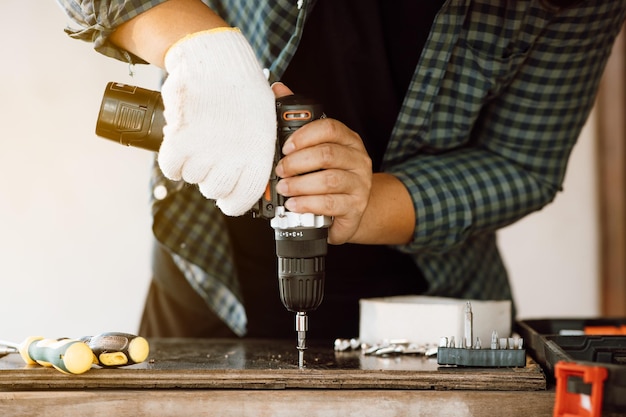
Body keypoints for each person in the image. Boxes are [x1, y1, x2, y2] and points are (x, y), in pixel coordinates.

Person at [57, 0, 626, 342]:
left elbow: (523, 163)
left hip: (430, 305)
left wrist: (366, 204)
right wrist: (201, 51)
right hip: (208, 272)